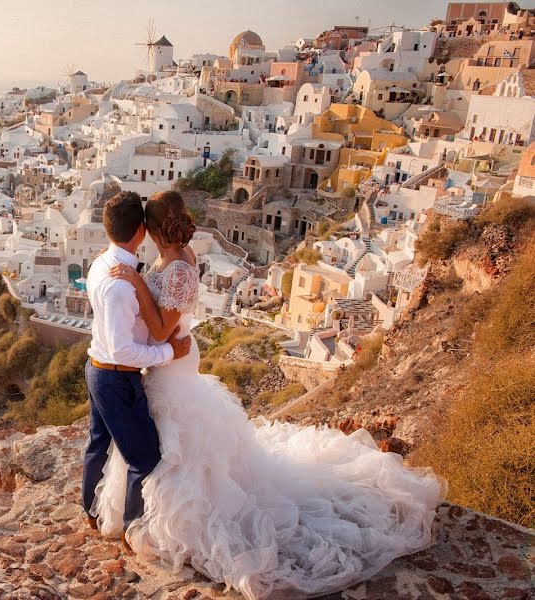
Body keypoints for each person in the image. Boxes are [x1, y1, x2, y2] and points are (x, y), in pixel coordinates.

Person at [91, 190, 445, 600]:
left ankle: (166, 522)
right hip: (169, 363)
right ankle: (147, 514)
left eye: (148, 227)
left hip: (172, 362)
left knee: (178, 446)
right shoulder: (178, 256)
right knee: (168, 444)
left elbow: (159, 332)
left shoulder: (179, 270)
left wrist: (135, 281)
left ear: (153, 228)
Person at [81, 191, 192, 550]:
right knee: (144, 457)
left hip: (100, 367)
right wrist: (168, 352)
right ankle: (133, 530)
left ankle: (91, 511)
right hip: (117, 372)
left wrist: (139, 281)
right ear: (141, 230)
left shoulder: (103, 263)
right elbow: (125, 349)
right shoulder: (121, 284)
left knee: (99, 444)